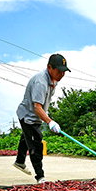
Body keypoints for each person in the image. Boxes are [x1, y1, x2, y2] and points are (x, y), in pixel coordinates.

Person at [13, 53, 70, 183]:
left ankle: (19, 161)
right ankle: (40, 177)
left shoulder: (52, 80)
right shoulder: (41, 82)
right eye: (59, 71)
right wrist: (50, 122)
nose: (62, 75)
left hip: (34, 116)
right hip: (28, 116)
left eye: (64, 72)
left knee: (27, 137)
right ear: (49, 67)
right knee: (35, 144)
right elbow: (37, 107)